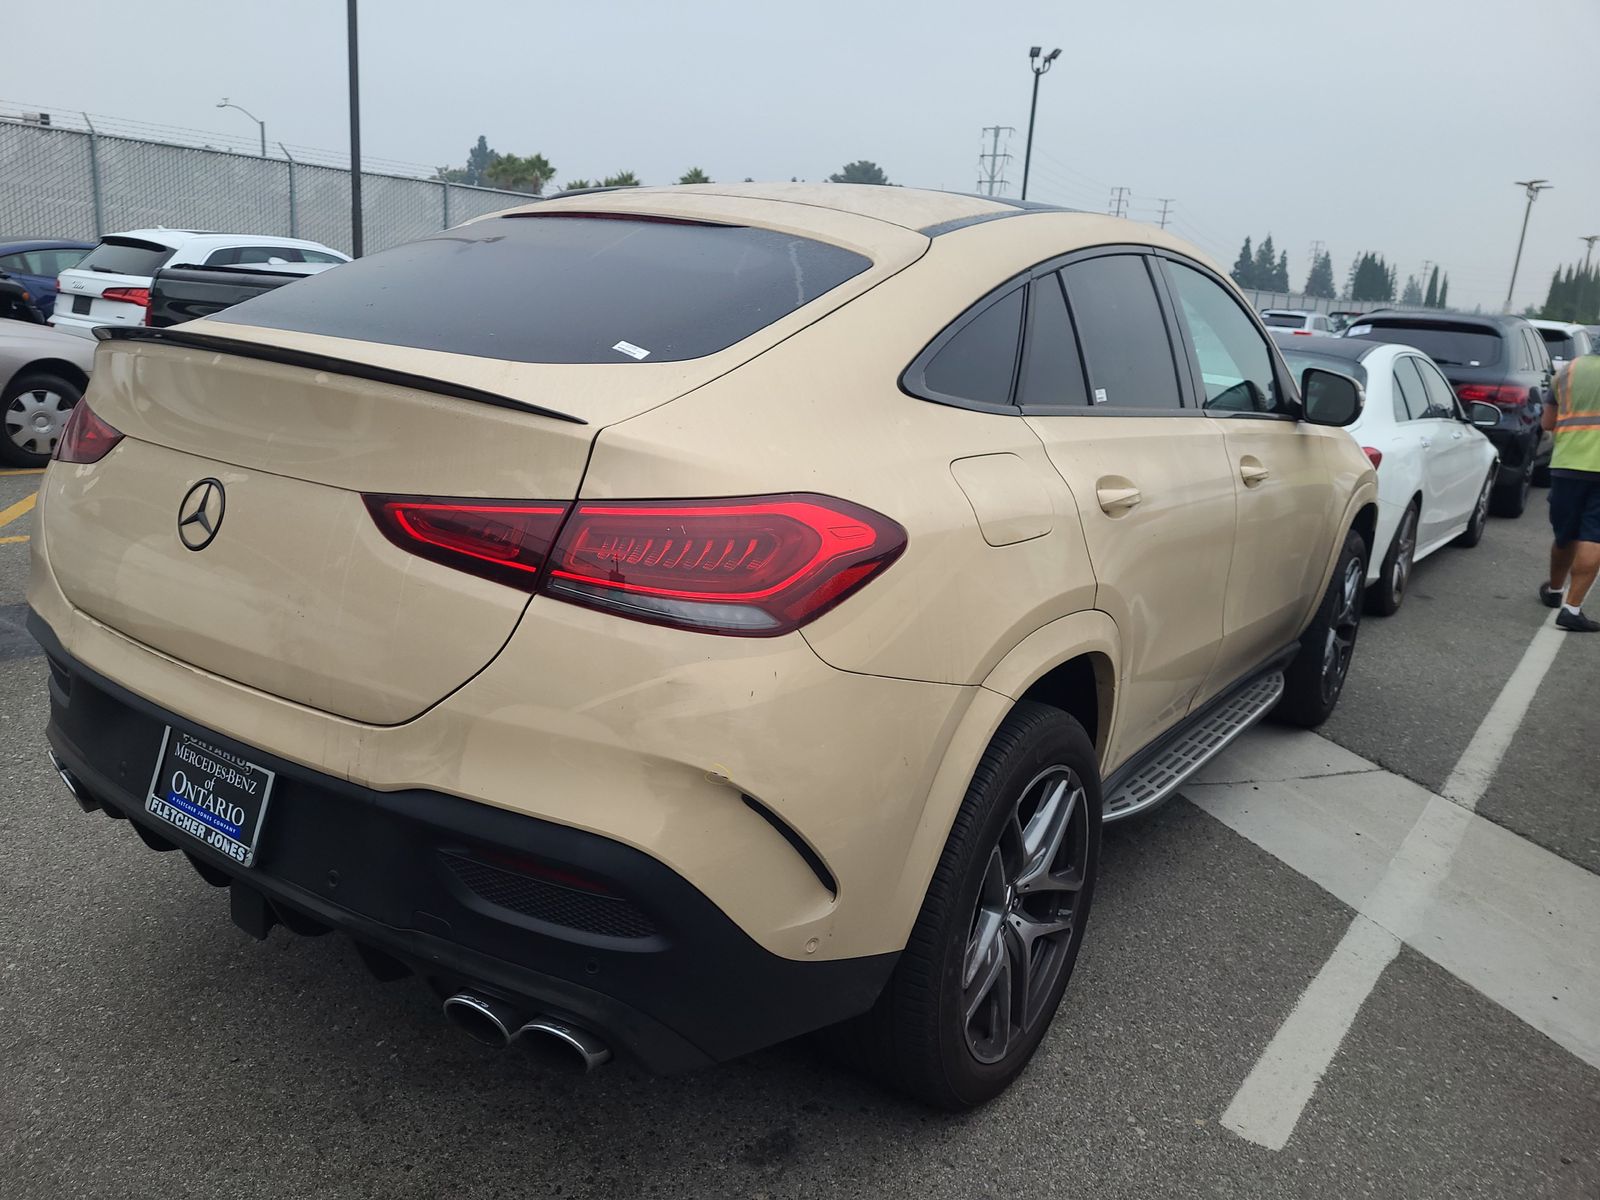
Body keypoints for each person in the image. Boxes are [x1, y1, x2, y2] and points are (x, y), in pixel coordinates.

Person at [1540, 351, 1600, 631]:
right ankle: (1571, 609)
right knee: (1594, 534)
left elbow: (1547, 423)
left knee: (1566, 532)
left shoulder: (1567, 371)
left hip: (1567, 464)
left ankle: (1554, 590)